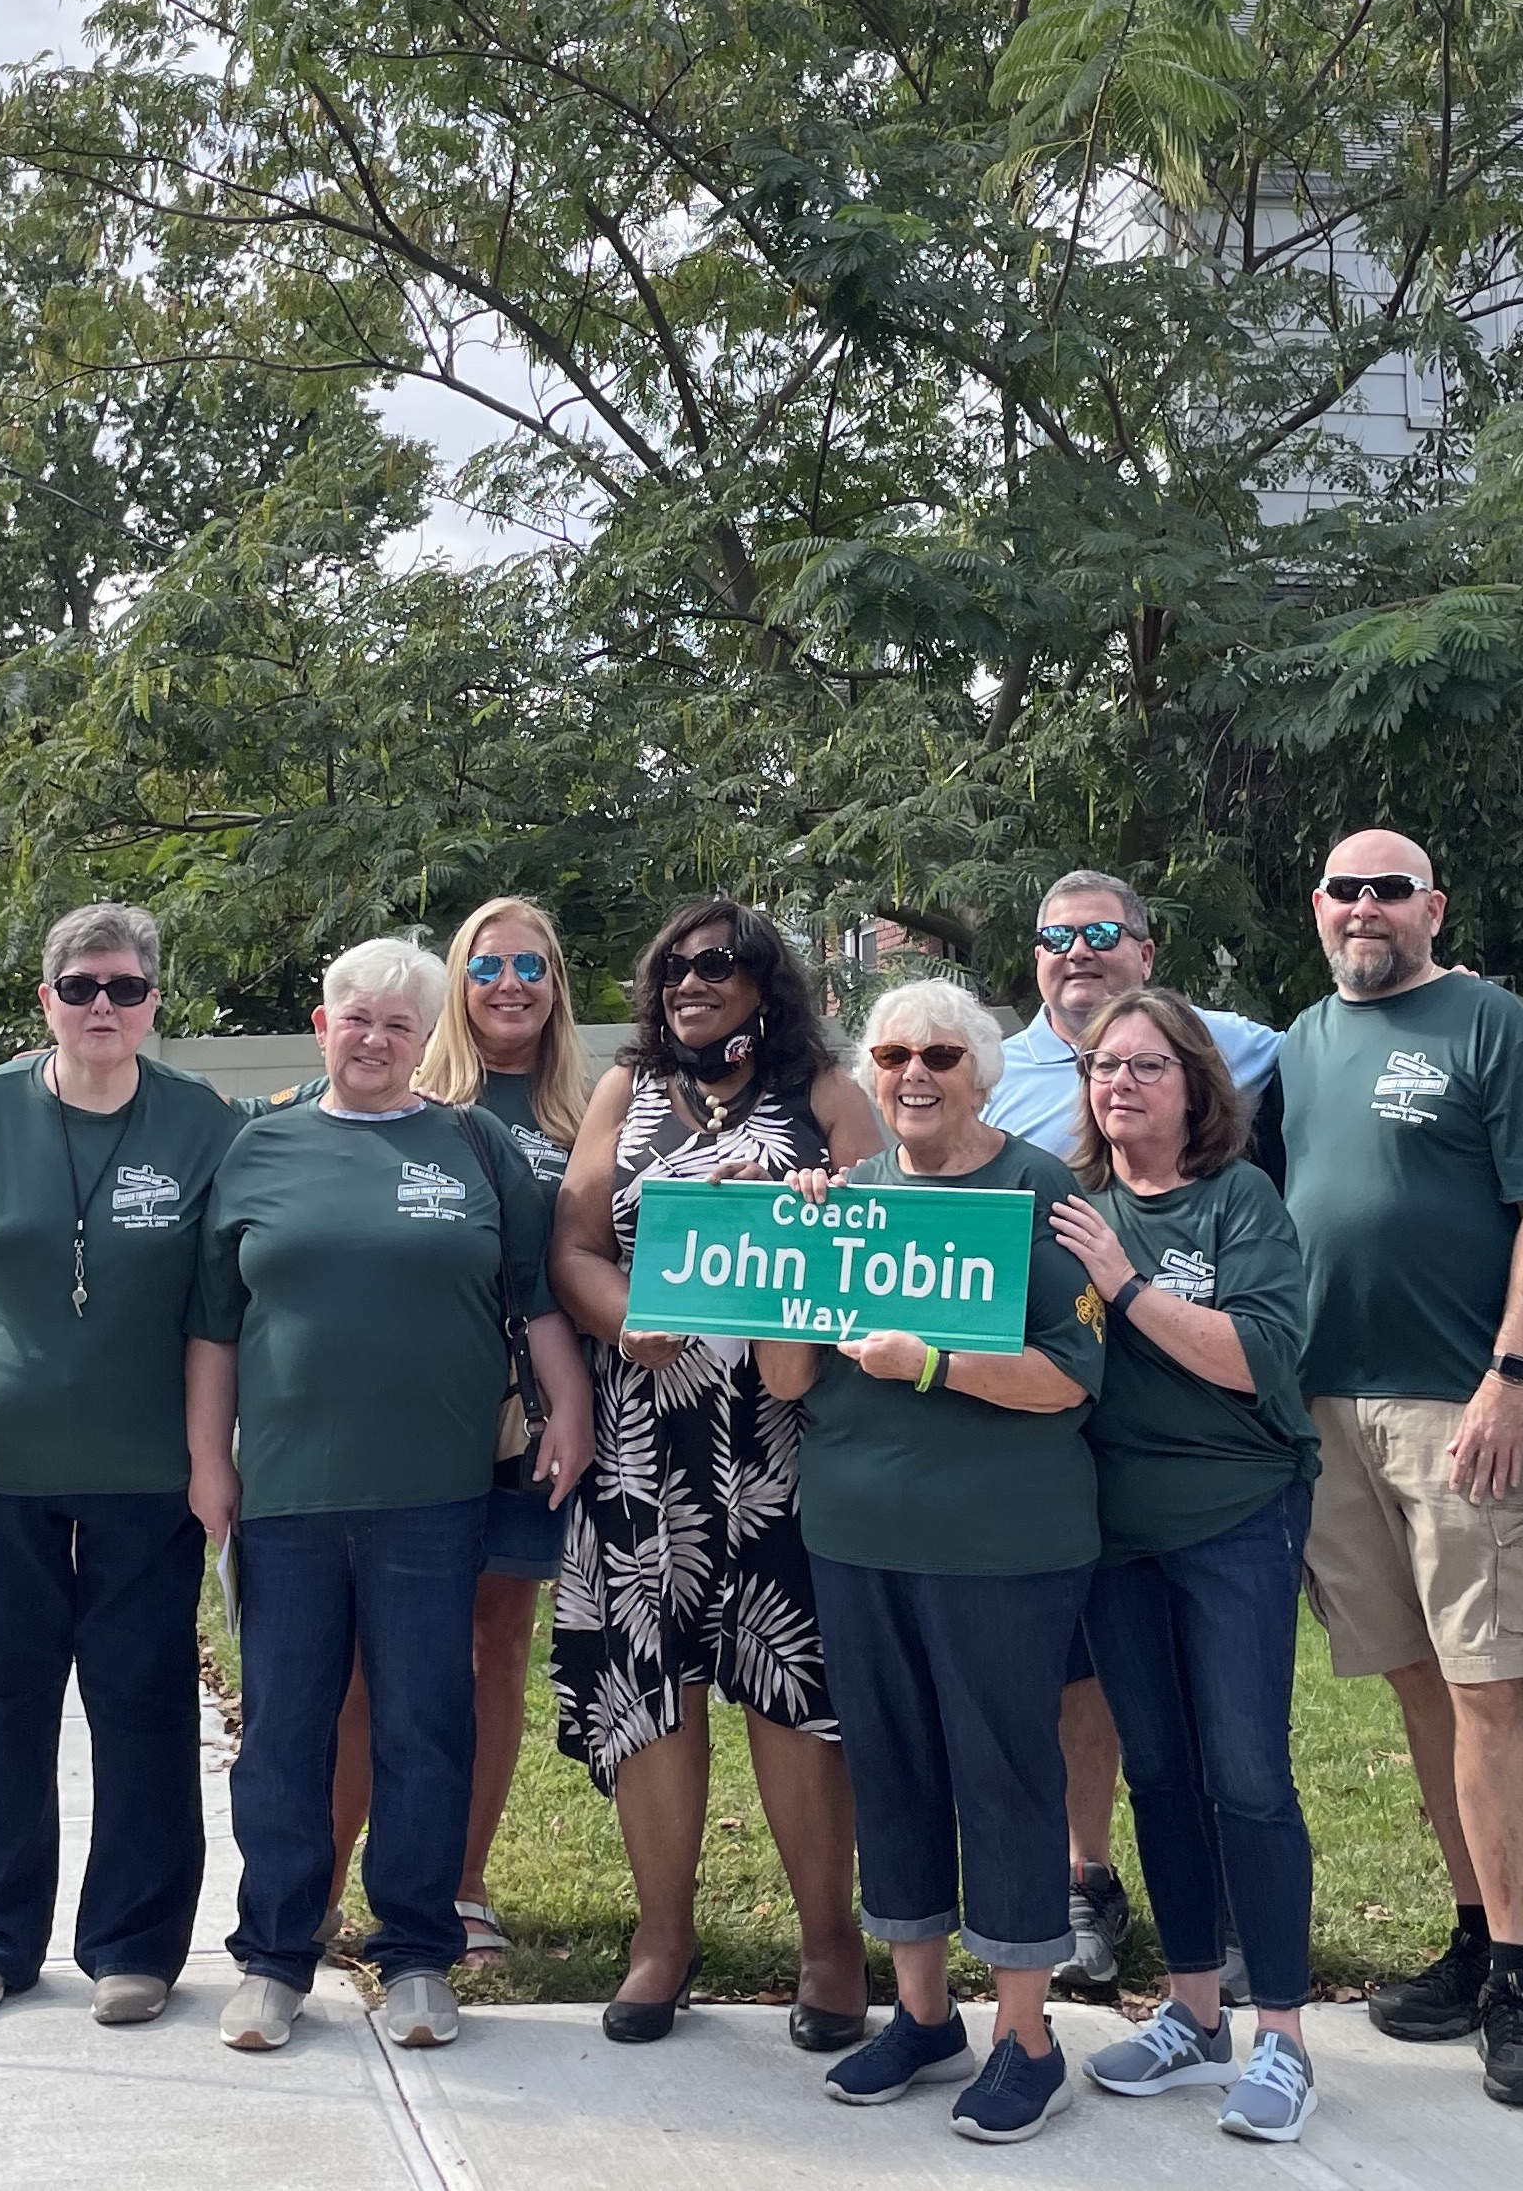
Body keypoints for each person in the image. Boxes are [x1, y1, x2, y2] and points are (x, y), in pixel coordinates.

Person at [191, 938, 593, 2056]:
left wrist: (570, 1408)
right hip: (288, 1493)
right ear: (324, 1027)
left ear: (427, 1040)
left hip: (435, 1492)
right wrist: (208, 1460)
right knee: (285, 1727)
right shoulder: (255, 1148)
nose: (373, 1039)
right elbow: (214, 1325)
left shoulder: (470, 1145)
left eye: (397, 1024)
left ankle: (417, 1952)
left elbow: (535, 1297)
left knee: (427, 1719)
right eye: (354, 1019)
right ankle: (273, 1954)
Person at [756, 976, 1103, 2145]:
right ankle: (920, 2015)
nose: (914, 1075)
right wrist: (797, 1253)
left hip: (1002, 1546)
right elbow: (788, 1380)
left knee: (1003, 1776)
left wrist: (934, 1364)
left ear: (981, 1072)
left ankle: (1028, 2038)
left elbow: (1071, 1377)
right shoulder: (846, 1197)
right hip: (856, 1538)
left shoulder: (1037, 1192)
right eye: (894, 1053)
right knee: (893, 1770)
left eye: (940, 1056)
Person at [0, 903, 240, 2028]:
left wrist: (206, 1458)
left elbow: (215, 1313)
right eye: (81, 987)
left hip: (146, 1479)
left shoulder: (200, 1124)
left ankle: (135, 1945)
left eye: (125, 989)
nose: (103, 1007)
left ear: (152, 1006)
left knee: (141, 1707)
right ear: (47, 1000)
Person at [1276, 828, 1523, 2109]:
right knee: (1416, 1682)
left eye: (1389, 889)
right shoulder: (1301, 1041)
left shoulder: (1491, 1025)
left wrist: (1511, 1377)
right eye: (1346, 889)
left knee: (1489, 1680)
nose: (1365, 908)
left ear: (1432, 908)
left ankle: (1520, 1980)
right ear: (1320, 906)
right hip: (1324, 1405)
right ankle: (1468, 1935)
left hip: (1457, 1409)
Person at [546, 898, 882, 2048]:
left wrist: (822, 1235)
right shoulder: (623, 1092)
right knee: (653, 1687)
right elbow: (576, 1248)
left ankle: (831, 1944)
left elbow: (891, 1229)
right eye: (675, 967)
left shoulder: (822, 1093)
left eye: (719, 965)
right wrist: (622, 1318)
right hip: (647, 1437)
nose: (693, 982)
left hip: (787, 1435)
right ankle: (663, 1938)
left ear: (764, 982)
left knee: (793, 1688)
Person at [983, 868, 1278, 1996]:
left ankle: (1237, 1896)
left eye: (1103, 933)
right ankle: (1085, 1877)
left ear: (1146, 951)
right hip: (1038, 1412)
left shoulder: (1233, 1048)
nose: (1079, 953)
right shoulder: (988, 1071)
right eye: (1056, 936)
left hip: (1183, 1418)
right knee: (1080, 1676)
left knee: (1213, 1683)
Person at [1049, 990, 1328, 2147]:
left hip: (1235, 1517)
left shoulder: (1235, 1201)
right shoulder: (1068, 1208)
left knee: (1248, 1773)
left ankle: (1287, 2039)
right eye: (1105, 1069)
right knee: (1158, 1772)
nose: (1120, 1085)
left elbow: (1252, 1355)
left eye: (1146, 1068)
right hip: (1116, 1537)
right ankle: (1195, 2012)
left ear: (1195, 1085)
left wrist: (1125, 1283)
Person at [322, 897, 593, 1966]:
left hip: (524, 1423)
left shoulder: (589, 1115)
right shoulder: (405, 1098)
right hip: (393, 1420)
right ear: (456, 980)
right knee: (356, 1661)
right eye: (489, 965)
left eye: (534, 963)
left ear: (558, 983)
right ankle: (326, 1883)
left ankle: (464, 1886)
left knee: (494, 1646)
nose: (512, 982)